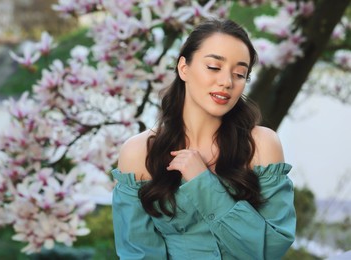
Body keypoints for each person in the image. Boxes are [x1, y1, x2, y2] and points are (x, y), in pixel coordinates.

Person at [111, 18, 296, 260]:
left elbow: (270, 249)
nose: (227, 82)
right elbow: (138, 254)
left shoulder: (261, 144)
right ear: (183, 68)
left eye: (240, 74)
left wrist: (203, 183)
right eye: (213, 67)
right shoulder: (139, 152)